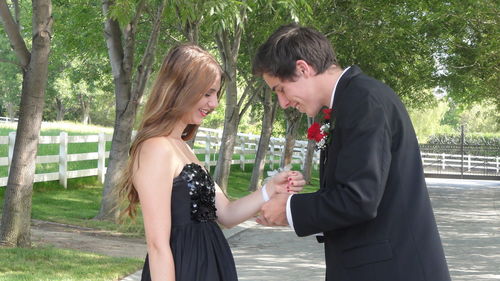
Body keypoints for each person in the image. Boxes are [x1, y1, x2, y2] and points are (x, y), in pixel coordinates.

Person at [253, 24, 451, 281]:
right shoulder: (350, 101)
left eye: (280, 89)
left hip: (392, 270)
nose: (283, 103)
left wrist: (290, 209)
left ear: (303, 68)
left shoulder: (364, 101)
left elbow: (359, 198)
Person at [118, 44, 305, 281]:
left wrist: (270, 189)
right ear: (179, 89)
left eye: (216, 94)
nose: (214, 103)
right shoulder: (155, 148)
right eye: (207, 93)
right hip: (186, 269)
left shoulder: (182, 147)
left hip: (211, 265)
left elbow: (226, 213)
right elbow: (157, 244)